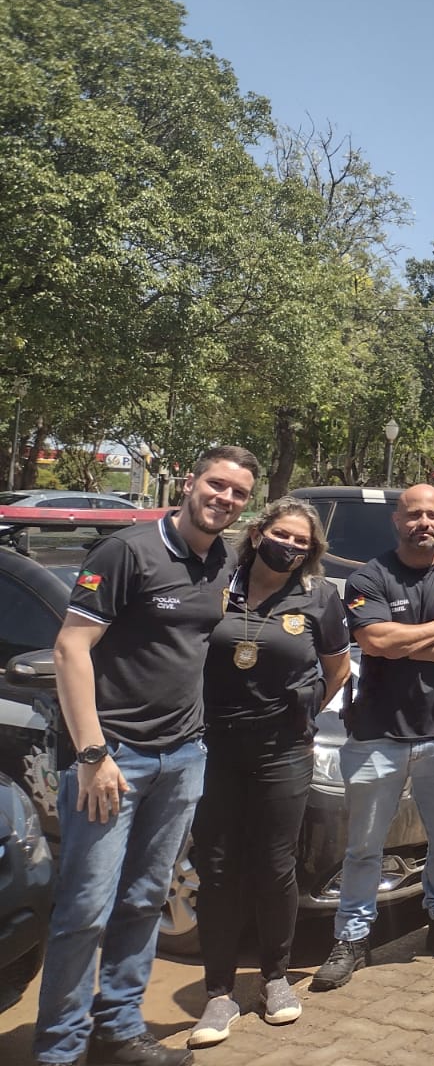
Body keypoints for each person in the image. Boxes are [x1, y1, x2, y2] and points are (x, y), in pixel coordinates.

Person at [35, 446, 259, 1066]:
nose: (225, 499)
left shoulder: (223, 561)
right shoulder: (127, 552)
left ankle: (119, 1029)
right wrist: (92, 754)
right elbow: (70, 649)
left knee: (143, 901)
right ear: (189, 482)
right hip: (112, 760)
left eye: (239, 493)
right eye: (217, 484)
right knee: (85, 911)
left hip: (182, 756)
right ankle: (59, 1049)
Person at [312, 484, 434, 990]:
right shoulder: (369, 576)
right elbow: (373, 639)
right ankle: (352, 938)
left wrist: (403, 643)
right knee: (364, 848)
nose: (424, 523)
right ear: (397, 520)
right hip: (377, 735)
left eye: (433, 515)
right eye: (414, 514)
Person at [187, 498, 351, 1048]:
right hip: (215, 747)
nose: (291, 547)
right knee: (217, 867)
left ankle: (275, 978)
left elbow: (338, 668)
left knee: (276, 864)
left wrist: (302, 715)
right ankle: (218, 991)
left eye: (302, 542)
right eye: (283, 535)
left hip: (283, 750)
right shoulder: (217, 584)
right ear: (258, 534)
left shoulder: (319, 596)